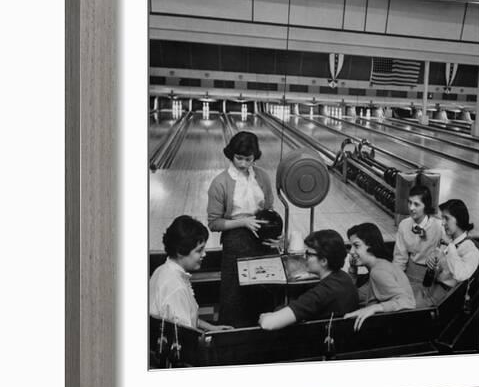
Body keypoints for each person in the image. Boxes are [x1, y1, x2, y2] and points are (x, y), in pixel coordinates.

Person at [207, 131, 277, 326]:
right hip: (235, 242)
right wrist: (244, 222)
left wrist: (273, 234)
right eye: (239, 158)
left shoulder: (262, 176)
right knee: (234, 299)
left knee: (263, 295)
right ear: (231, 155)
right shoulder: (220, 183)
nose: (244, 163)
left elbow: (269, 209)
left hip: (262, 241)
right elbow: (214, 223)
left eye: (249, 159)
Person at [258, 230, 359, 330]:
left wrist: (263, 317)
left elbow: (268, 324)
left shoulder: (323, 292)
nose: (304, 257)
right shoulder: (343, 277)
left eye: (309, 254)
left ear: (323, 261)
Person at [149, 215, 232, 331]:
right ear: (180, 252)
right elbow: (186, 336)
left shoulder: (162, 270)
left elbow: (186, 318)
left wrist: (212, 328)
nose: (204, 254)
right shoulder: (175, 288)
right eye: (199, 250)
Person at [344, 223, 416, 331]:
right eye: (351, 246)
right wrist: (353, 269)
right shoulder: (380, 264)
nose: (351, 251)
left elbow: (407, 301)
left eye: (357, 246)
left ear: (371, 245)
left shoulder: (378, 272)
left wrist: (376, 308)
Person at [393, 185, 443, 306]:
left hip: (431, 280)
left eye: (416, 204)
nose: (411, 208)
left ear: (426, 206)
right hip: (408, 275)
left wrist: (438, 255)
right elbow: (400, 258)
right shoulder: (404, 225)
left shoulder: (439, 227)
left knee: (414, 305)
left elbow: (449, 249)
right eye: (409, 203)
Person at [424, 199, 479, 304]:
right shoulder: (447, 240)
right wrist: (431, 261)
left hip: (447, 301)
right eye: (442, 218)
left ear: (459, 219)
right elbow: (440, 266)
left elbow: (460, 274)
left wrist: (450, 245)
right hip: (432, 291)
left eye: (446, 218)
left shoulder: (471, 250)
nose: (443, 223)